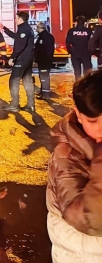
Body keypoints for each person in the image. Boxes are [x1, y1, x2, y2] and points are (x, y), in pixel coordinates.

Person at [47, 70, 102, 262]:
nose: (100, 129)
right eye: (92, 121)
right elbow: (88, 220)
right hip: (81, 252)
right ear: (78, 114)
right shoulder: (65, 155)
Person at [0, 11, 35, 113]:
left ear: (20, 19)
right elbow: (17, 37)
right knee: (27, 81)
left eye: (16, 18)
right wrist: (4, 28)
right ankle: (31, 105)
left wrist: (12, 58)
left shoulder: (24, 29)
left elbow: (20, 46)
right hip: (28, 60)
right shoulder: (26, 28)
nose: (15, 20)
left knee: (13, 81)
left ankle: (14, 105)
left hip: (21, 59)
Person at [67, 15, 92, 80]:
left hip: (75, 53)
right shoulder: (88, 31)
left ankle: (78, 87)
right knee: (87, 73)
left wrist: (70, 51)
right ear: (84, 23)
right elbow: (91, 42)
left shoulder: (72, 31)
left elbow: (68, 42)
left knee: (77, 73)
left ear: (76, 22)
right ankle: (86, 87)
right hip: (85, 54)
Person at [35, 22, 55, 101]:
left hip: (44, 61)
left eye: (37, 28)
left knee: (44, 77)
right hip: (44, 60)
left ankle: (45, 94)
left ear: (39, 28)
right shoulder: (45, 36)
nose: (36, 29)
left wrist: (41, 59)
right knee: (43, 76)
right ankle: (43, 92)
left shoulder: (44, 37)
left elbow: (46, 50)